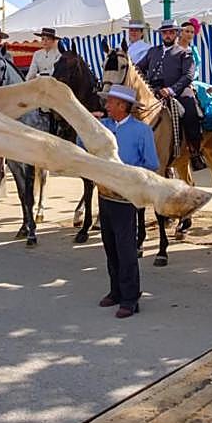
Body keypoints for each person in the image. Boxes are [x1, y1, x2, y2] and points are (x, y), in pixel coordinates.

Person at [92, 84, 158, 319]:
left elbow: (151, 163)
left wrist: (129, 175)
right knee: (109, 246)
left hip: (126, 198)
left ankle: (131, 298)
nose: (106, 105)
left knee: (126, 248)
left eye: (110, 102)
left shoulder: (142, 131)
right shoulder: (103, 127)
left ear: (122, 106)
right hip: (105, 194)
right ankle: (116, 290)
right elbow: (83, 147)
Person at [135, 21, 203, 170]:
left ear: (176, 33)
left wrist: (172, 90)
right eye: (165, 32)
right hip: (153, 90)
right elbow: (138, 69)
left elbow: (188, 76)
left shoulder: (184, 53)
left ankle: (195, 152)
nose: (168, 35)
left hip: (178, 90)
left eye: (171, 32)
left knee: (190, 110)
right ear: (161, 34)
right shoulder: (153, 51)